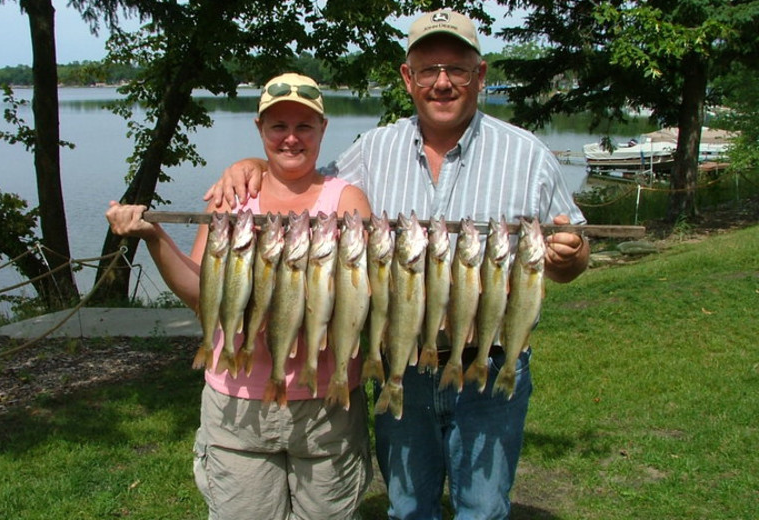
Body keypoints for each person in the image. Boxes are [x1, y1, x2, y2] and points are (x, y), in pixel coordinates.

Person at [206, 10, 590, 520]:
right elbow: (304, 181)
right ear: (408, 78)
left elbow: (572, 254)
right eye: (429, 69)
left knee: (484, 507)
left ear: (481, 75)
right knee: (407, 509)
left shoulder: (529, 155)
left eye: (457, 68)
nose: (443, 82)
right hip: (399, 364)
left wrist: (571, 254)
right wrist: (251, 165)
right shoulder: (373, 149)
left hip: (491, 360)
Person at [106, 73, 373, 520]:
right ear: (260, 130)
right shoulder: (231, 200)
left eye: (304, 126)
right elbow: (199, 291)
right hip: (237, 406)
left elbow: (359, 297)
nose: (291, 138)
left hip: (327, 404)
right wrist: (155, 238)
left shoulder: (347, 201)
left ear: (323, 129)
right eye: (278, 126)